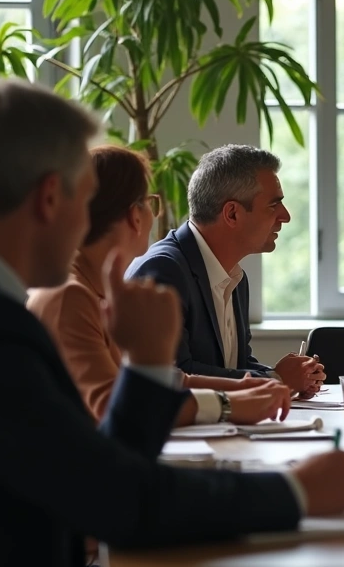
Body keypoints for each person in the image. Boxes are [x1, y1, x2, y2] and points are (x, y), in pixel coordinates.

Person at [0, 80, 344, 567]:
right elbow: (116, 500)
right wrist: (295, 491)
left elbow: (97, 474)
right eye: (87, 201)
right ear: (49, 197)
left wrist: (150, 370)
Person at [29, 145, 292, 426]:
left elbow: (163, 377)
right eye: (149, 202)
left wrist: (245, 387)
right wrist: (225, 405)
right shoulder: (69, 296)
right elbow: (110, 406)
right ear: (134, 215)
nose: (155, 215)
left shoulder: (91, 290)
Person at [126, 144, 325, 398]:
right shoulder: (163, 269)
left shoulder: (236, 278)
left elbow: (233, 368)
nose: (285, 217)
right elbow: (174, 373)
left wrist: (291, 377)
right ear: (232, 213)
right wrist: (275, 380)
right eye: (274, 205)